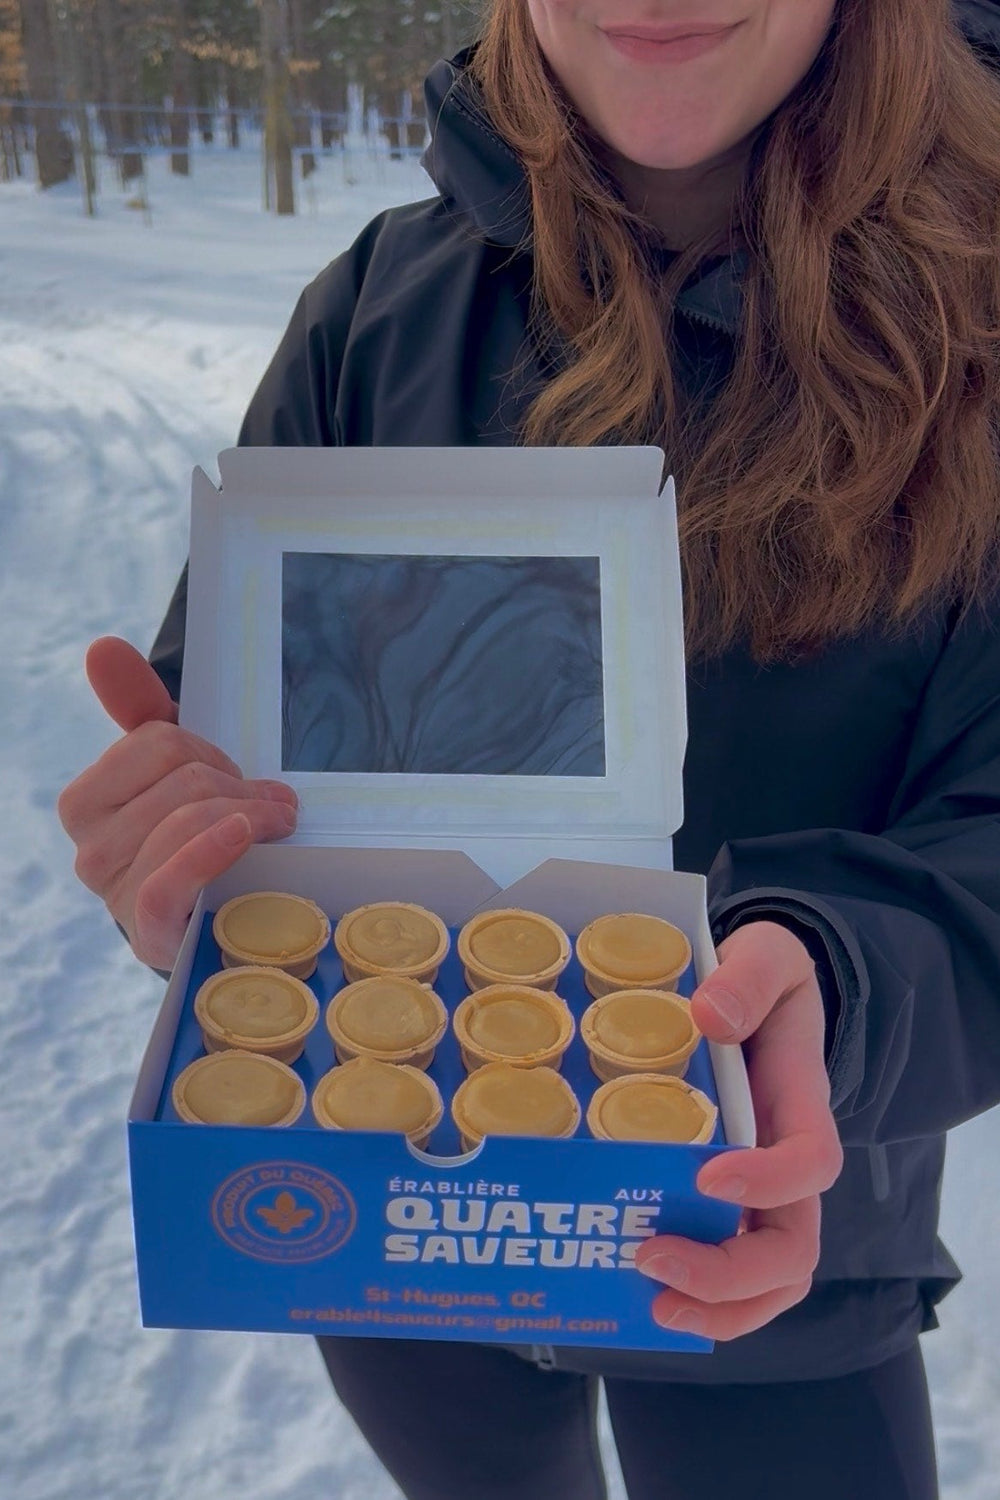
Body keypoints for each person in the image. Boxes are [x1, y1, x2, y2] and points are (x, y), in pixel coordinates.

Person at [57, 2, 1000, 1497]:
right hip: (393, 1223)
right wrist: (187, 862)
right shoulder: (378, 307)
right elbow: (233, 734)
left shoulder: (981, 328)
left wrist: (837, 982)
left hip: (769, 1259)